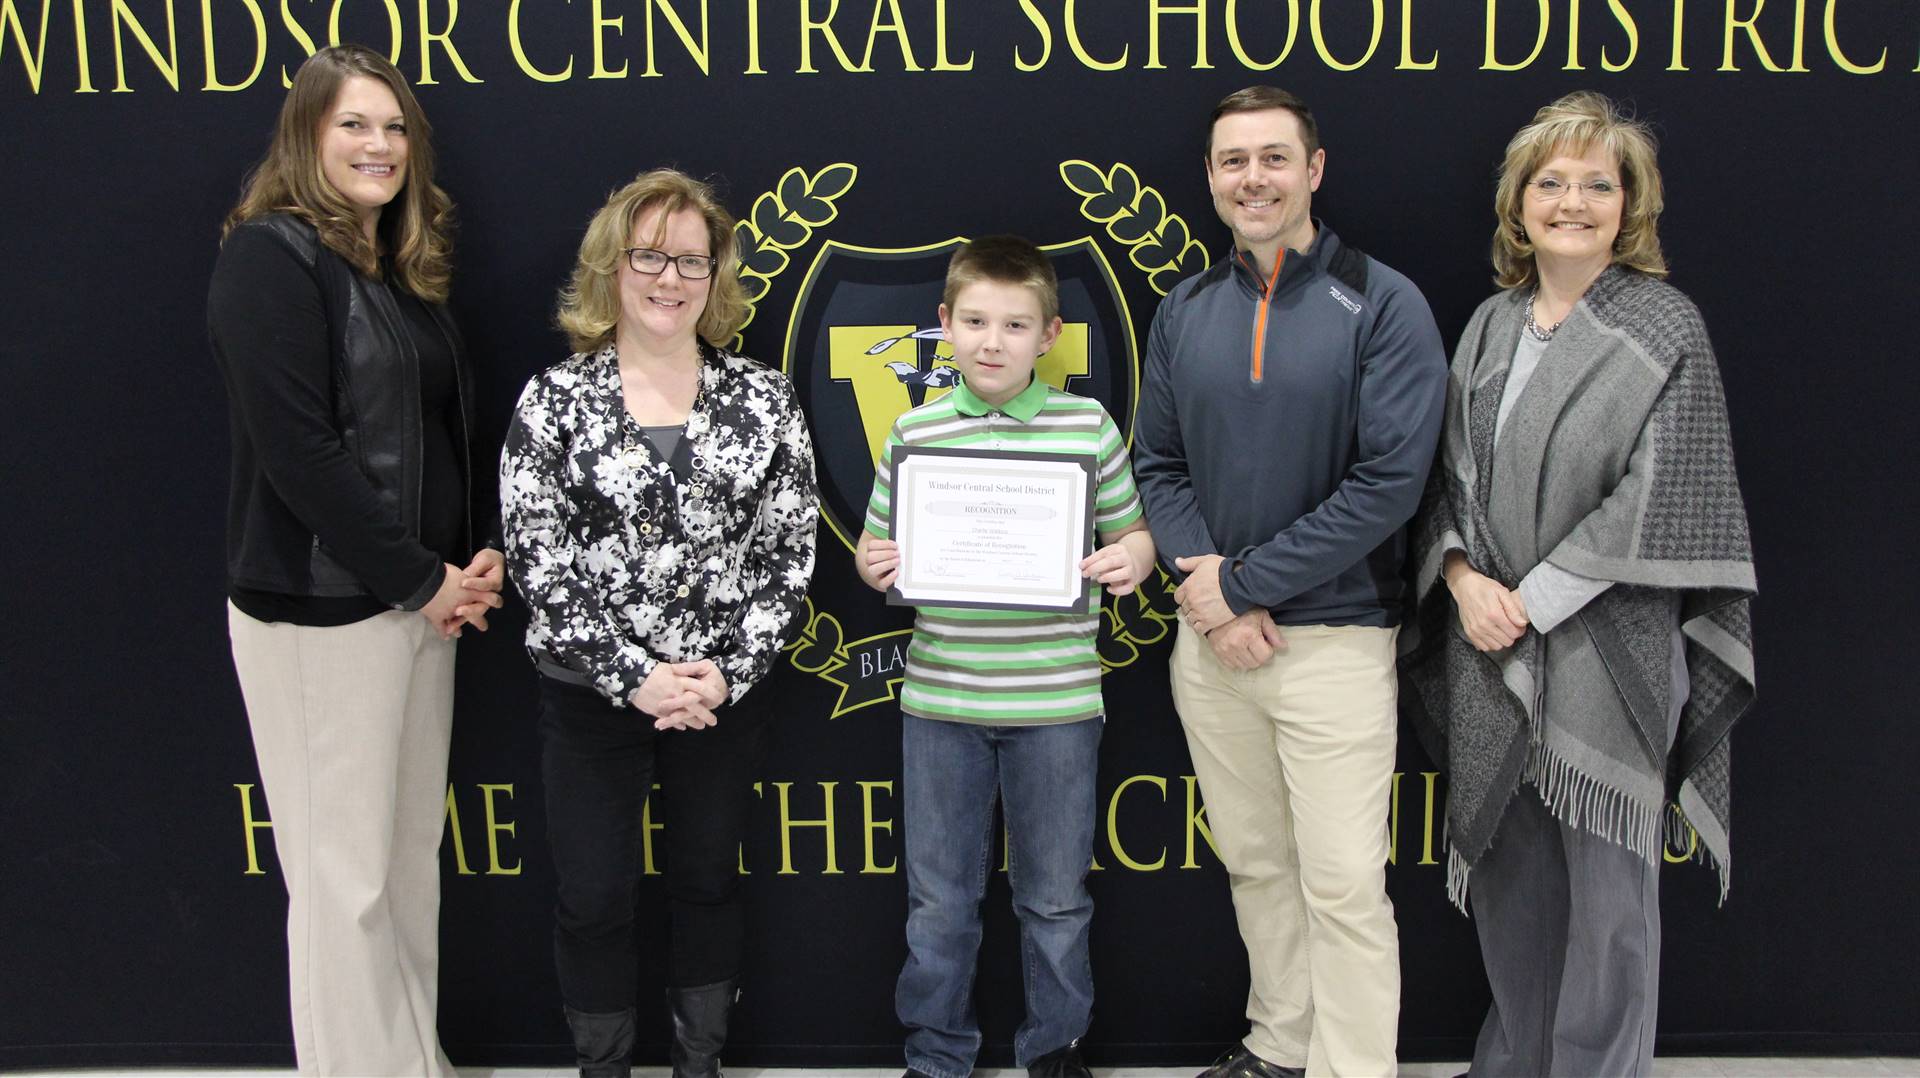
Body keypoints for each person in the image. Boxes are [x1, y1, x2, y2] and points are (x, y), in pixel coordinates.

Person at [1401, 91, 1757, 1078]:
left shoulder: (1662, 323)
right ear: (1518, 205)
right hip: (1490, 643)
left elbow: (1671, 494)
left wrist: (1537, 599)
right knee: (1514, 883)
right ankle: (1515, 1061)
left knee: (1609, 905)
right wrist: (1467, 581)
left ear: (1629, 201)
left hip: (1611, 650)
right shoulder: (1488, 326)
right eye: (1549, 182)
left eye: (1595, 183)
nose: (1571, 200)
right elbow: (1449, 479)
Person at [1133, 86, 1448, 1078]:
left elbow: (1390, 483)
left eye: (1274, 158)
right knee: (1260, 865)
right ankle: (1282, 1046)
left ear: (1314, 171)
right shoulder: (1185, 308)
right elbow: (1158, 466)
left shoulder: (1385, 303)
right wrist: (1209, 596)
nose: (1252, 179)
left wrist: (1247, 585)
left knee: (1345, 882)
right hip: (1212, 644)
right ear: (1213, 180)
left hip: (1337, 641)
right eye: (1233, 162)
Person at [207, 43, 502, 1077]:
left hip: (418, 610)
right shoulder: (268, 259)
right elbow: (302, 453)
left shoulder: (391, 270)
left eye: (394, 127)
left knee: (403, 872)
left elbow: (431, 440)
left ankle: (410, 1061)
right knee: (344, 885)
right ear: (306, 136)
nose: (380, 145)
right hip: (320, 614)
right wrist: (423, 578)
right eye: (354, 125)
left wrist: (462, 570)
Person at [500, 168, 818, 1078]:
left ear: (718, 275)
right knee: (595, 897)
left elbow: (786, 559)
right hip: (591, 697)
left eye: (692, 258)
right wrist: (632, 675)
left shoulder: (764, 401)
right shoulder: (553, 402)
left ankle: (698, 1064)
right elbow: (540, 564)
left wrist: (729, 670)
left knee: (707, 883)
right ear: (611, 266)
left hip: (720, 697)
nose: (669, 277)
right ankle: (603, 1067)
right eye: (649, 255)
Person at [854, 236, 1156, 1078]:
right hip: (942, 704)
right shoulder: (913, 430)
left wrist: (1132, 558)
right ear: (944, 325)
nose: (994, 342)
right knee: (939, 901)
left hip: (1055, 706)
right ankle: (936, 1051)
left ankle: (1055, 1045)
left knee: (1055, 901)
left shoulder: (1085, 425)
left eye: (1016, 324)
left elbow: (1133, 534)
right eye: (977, 321)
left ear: (1049, 334)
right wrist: (871, 562)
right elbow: (877, 548)